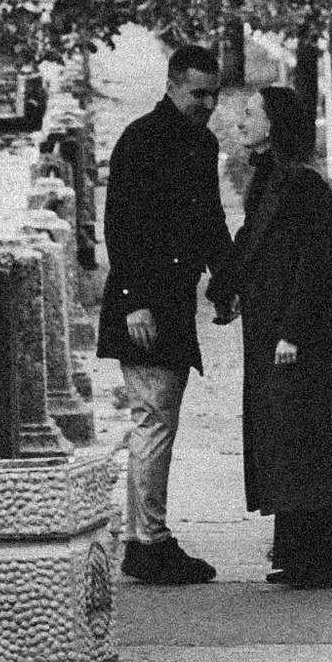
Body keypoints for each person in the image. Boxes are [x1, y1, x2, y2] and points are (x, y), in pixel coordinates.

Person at [225, 83, 332, 592]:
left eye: (250, 113)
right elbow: (254, 244)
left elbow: (317, 264)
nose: (240, 120)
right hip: (274, 328)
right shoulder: (270, 179)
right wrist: (228, 288)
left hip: (300, 336)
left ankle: (318, 558)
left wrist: (292, 331)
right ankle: (300, 554)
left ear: (274, 126)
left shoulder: (303, 184)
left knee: (305, 441)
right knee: (290, 441)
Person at [97, 43, 234, 586]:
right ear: (173, 85)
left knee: (156, 420)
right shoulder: (141, 139)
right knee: (153, 420)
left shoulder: (200, 143)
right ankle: (148, 541)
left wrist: (224, 281)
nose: (208, 104)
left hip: (170, 301)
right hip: (145, 304)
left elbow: (209, 218)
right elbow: (120, 223)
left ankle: (144, 537)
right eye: (199, 93)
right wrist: (133, 300)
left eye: (214, 95)